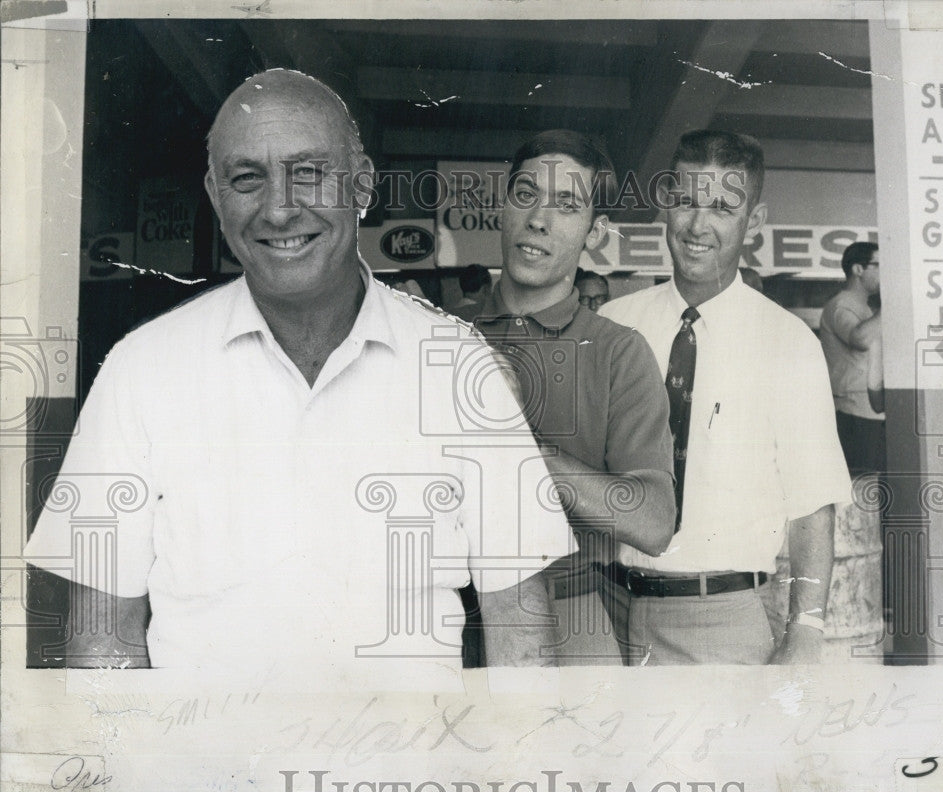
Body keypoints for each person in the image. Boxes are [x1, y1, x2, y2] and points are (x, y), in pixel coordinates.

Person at [22, 69, 573, 672]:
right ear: (214, 193)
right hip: (207, 763)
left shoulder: (461, 366)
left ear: (362, 183)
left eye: (308, 172)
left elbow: (521, 626)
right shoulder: (139, 371)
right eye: (246, 178)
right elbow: (103, 637)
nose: (280, 209)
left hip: (406, 761)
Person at [599, 130, 851, 665]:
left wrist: (805, 630)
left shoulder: (789, 343)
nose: (698, 225)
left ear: (753, 222)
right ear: (666, 203)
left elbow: (811, 508)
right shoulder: (614, 325)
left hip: (720, 619)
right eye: (686, 201)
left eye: (721, 207)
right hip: (605, 609)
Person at [472, 130, 677, 665]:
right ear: (502, 204)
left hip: (575, 614)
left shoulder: (619, 352)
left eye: (567, 205)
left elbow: (654, 522)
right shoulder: (440, 338)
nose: (538, 219)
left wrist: (520, 445)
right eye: (525, 194)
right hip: (448, 614)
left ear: (596, 231)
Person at [819, 242, 886, 474]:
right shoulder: (840, 304)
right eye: (879, 265)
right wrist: (891, 304)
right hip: (854, 414)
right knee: (864, 488)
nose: (884, 272)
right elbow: (860, 339)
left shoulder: (864, 307)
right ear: (858, 269)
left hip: (869, 409)